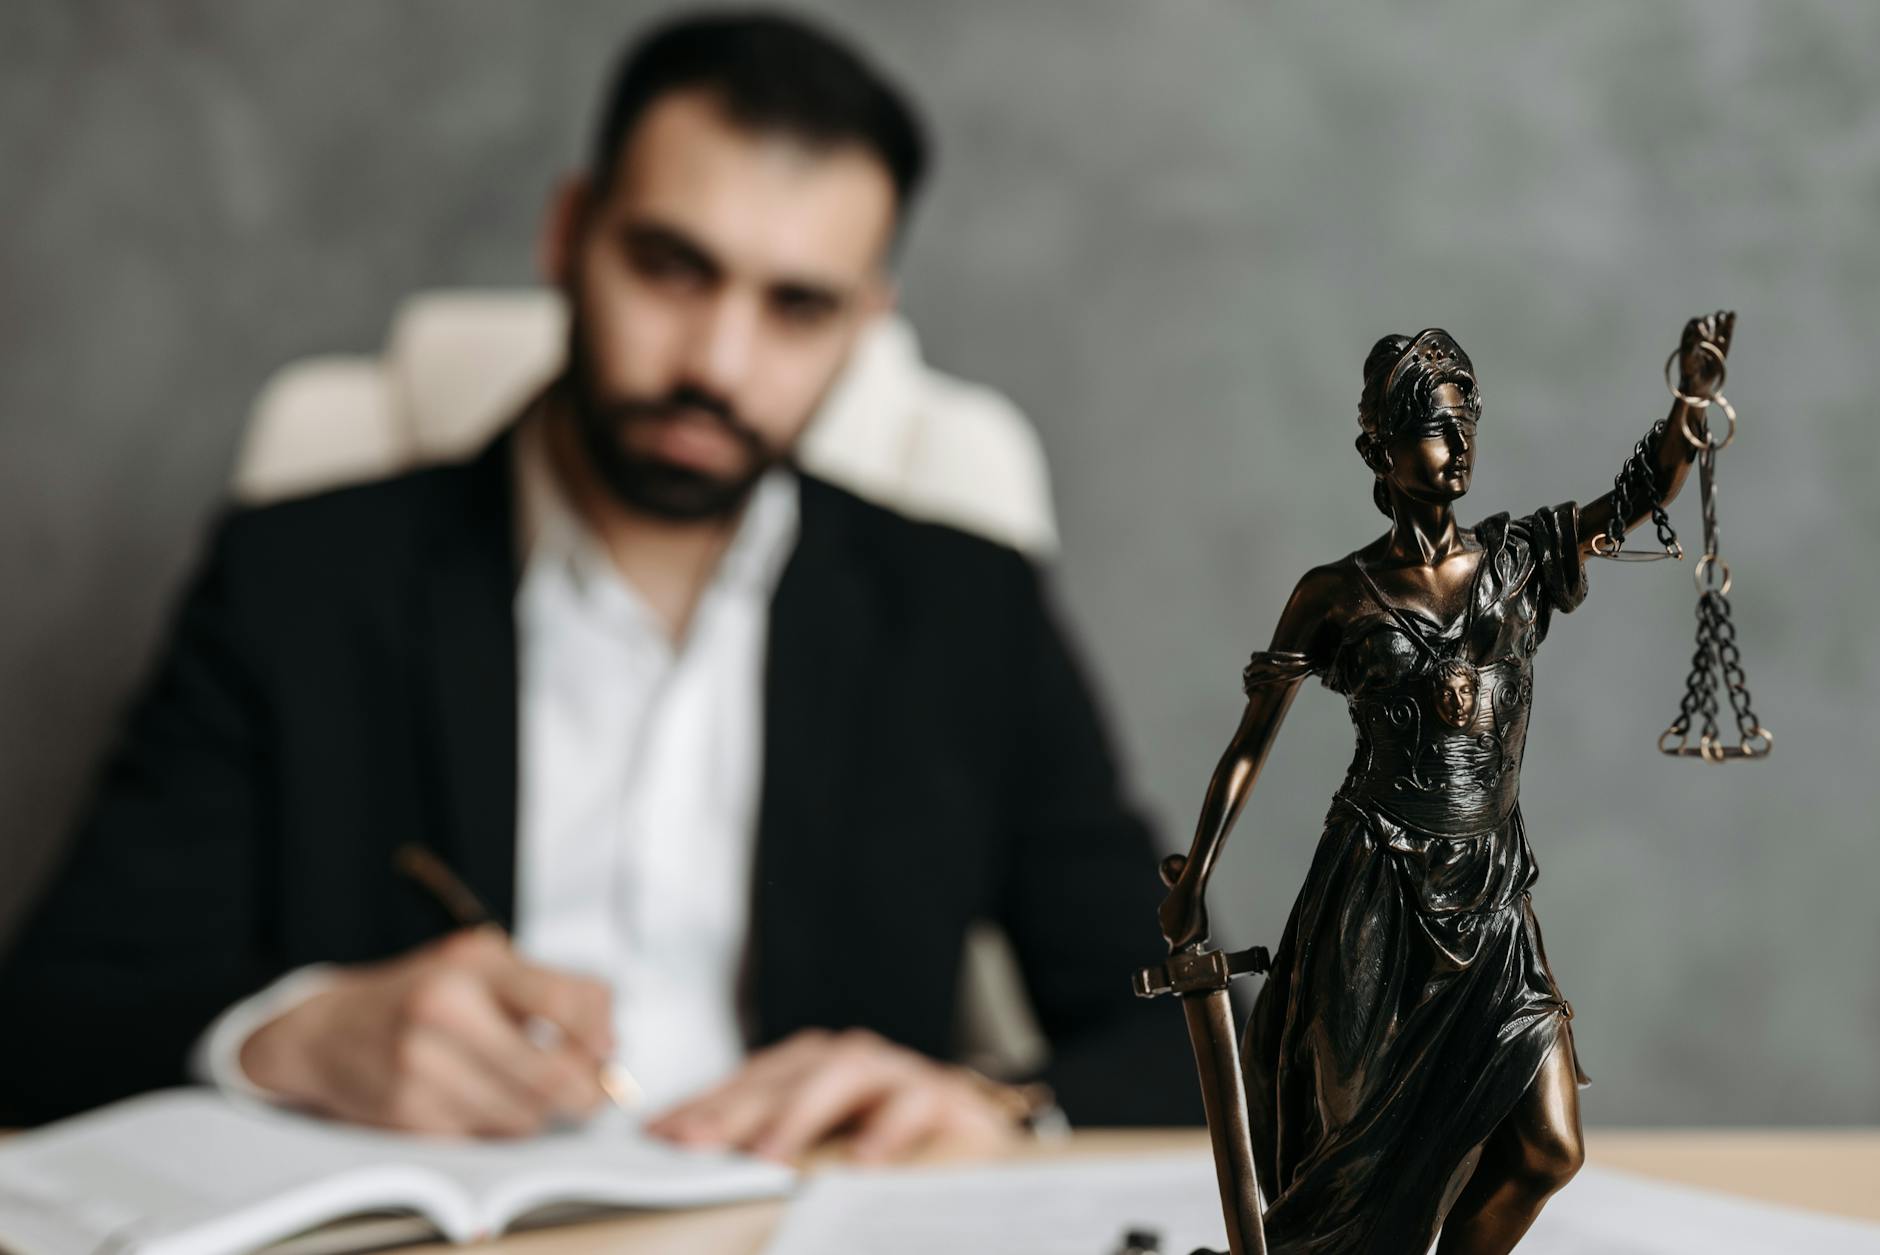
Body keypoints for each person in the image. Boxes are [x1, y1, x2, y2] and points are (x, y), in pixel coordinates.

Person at [0, 10, 1197, 1157]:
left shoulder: (966, 610)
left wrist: (995, 1107)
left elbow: (1205, 1039)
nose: (715, 364)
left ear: (864, 324)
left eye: (797, 307)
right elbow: (49, 1018)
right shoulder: (300, 580)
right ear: (568, 234)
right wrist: (293, 1036)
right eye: (672, 268)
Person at [1155, 315, 1733, 1252]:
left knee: (1546, 1147)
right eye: (1433, 422)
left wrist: (1690, 402)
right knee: (1360, 1160)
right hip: (1376, 898)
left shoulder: (1519, 558)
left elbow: (1639, 491)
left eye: (1467, 419)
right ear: (1375, 448)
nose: (1459, 442)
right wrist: (1193, 881)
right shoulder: (1334, 593)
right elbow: (1250, 743)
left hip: (1493, 894)